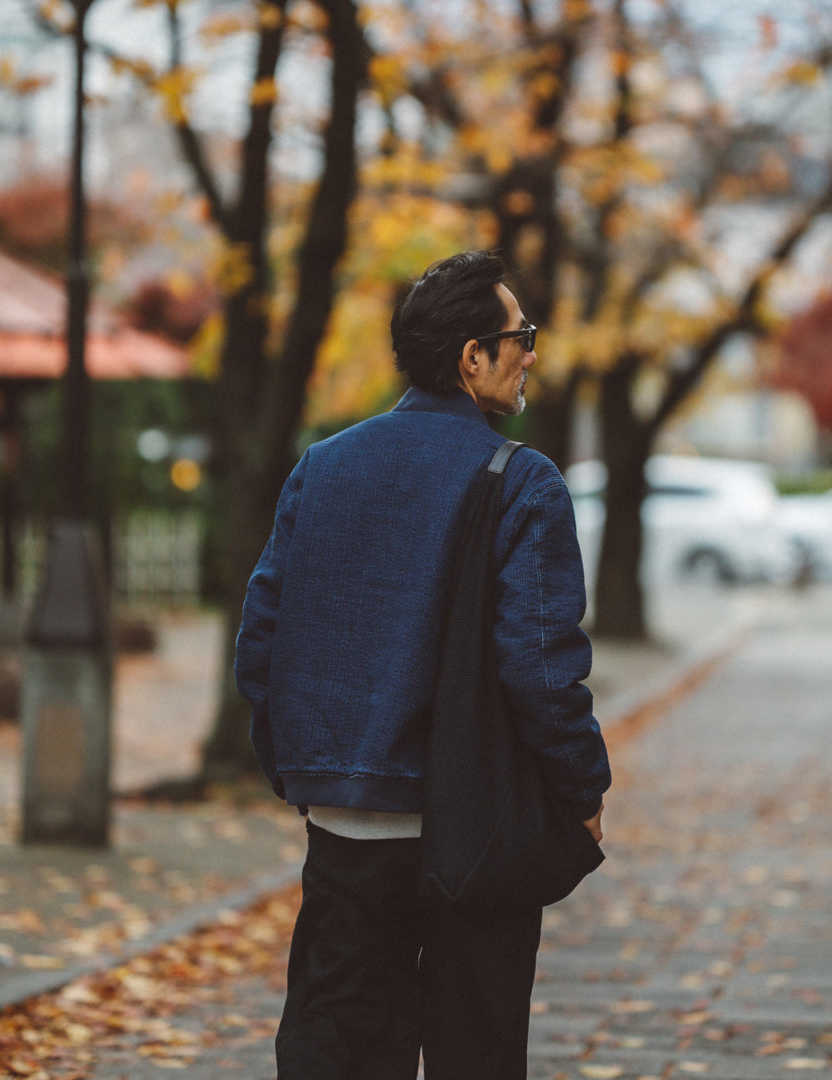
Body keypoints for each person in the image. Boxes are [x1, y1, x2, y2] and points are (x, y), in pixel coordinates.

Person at [234, 250, 612, 1079]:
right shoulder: (524, 484)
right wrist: (583, 789)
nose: (532, 356)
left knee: (339, 1049)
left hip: (346, 825)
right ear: (473, 356)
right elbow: (542, 669)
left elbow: (260, 643)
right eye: (521, 337)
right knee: (474, 1050)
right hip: (475, 830)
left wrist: (308, 774)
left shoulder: (323, 467)